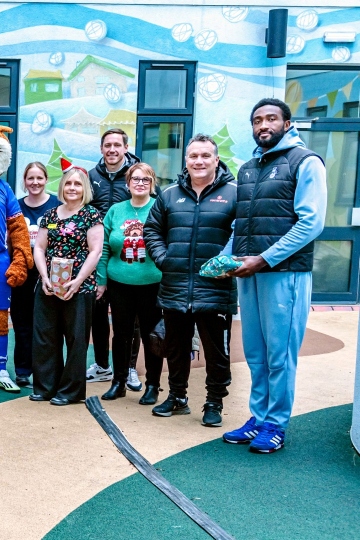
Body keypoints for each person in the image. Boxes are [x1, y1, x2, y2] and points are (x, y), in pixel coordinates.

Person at [221, 98, 327, 454]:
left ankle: (276, 424)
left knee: (280, 354)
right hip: (249, 275)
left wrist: (263, 259)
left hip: (284, 274)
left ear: (287, 122)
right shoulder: (249, 168)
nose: (263, 125)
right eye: (257, 120)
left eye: (270, 118)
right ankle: (259, 417)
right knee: (256, 353)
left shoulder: (306, 162)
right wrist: (224, 260)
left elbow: (311, 222)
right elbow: (241, 223)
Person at [143, 134, 237, 426]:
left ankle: (214, 403)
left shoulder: (235, 193)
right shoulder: (170, 194)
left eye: (205, 156)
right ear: (186, 161)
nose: (199, 161)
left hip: (216, 289)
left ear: (216, 160)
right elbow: (152, 231)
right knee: (175, 347)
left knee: (217, 353)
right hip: (175, 288)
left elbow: (243, 234)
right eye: (193, 156)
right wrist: (164, 259)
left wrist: (230, 264)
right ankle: (177, 397)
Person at [30, 164, 103, 406]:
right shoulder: (50, 216)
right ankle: (45, 387)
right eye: (69, 183)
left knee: (75, 338)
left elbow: (95, 252)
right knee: (45, 337)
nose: (72, 188)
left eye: (77, 184)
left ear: (85, 189)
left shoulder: (91, 215)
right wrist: (44, 276)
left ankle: (70, 391)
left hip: (79, 287)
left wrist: (78, 280)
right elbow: (39, 248)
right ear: (62, 187)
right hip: (49, 285)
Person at [96, 163, 164, 404]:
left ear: (152, 183)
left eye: (146, 179)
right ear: (127, 184)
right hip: (119, 283)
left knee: (152, 336)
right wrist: (101, 281)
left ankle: (153, 385)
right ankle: (119, 382)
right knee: (121, 335)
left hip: (152, 283)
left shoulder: (160, 207)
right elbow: (103, 247)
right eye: (135, 179)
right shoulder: (116, 210)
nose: (140, 183)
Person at [87, 129, 144, 389]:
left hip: (128, 259)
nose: (112, 149)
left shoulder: (137, 175)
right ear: (101, 149)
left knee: (130, 320)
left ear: (125, 147)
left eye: (117, 145)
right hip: (95, 257)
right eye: (107, 145)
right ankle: (102, 365)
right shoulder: (91, 176)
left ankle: (129, 367)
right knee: (97, 313)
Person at [10, 162, 60, 387]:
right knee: (21, 323)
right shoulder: (16, 207)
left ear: (46, 179)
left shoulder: (56, 206)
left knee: (48, 324)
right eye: (30, 178)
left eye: (39, 178)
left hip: (49, 274)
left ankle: (48, 371)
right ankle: (22, 370)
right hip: (22, 274)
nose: (35, 183)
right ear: (24, 181)